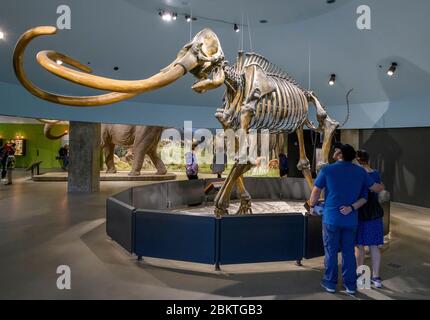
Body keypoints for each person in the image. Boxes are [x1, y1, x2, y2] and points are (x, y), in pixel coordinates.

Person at [308, 143, 383, 294]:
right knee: (348, 252)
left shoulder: (327, 170)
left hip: (331, 219)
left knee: (331, 251)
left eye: (337, 151)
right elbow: (374, 189)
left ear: (340, 154)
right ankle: (350, 285)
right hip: (350, 220)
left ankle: (330, 282)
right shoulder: (360, 172)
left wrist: (312, 206)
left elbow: (316, 190)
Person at [355, 149, 385, 289]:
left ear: (357, 159)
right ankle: (376, 277)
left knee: (360, 247)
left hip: (360, 213)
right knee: (374, 246)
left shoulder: (357, 173)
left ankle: (361, 277)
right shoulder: (376, 173)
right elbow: (379, 189)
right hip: (374, 213)